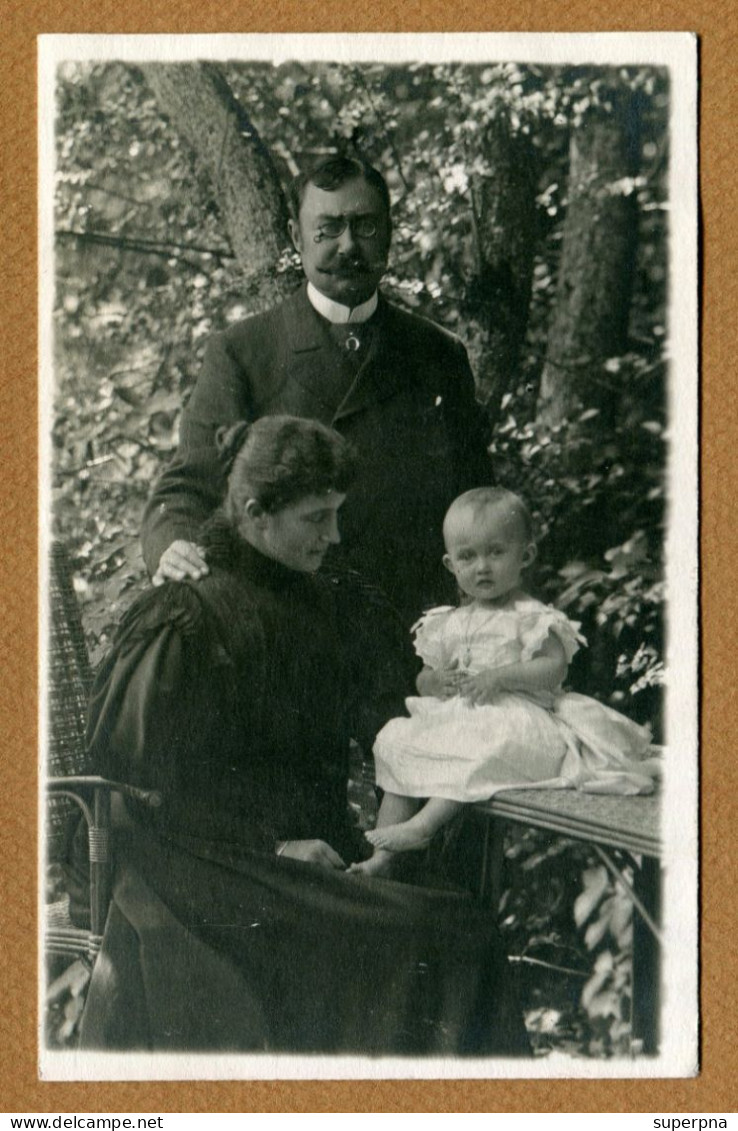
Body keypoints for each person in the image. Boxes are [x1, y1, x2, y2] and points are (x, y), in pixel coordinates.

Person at [72, 418, 529, 1055]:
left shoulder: (326, 603)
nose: (334, 535)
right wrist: (278, 845)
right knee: (444, 936)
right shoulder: (184, 616)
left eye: (337, 515)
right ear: (256, 512)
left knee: (455, 919)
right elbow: (133, 793)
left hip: (310, 849)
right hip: (193, 867)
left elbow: (390, 713)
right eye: (317, 518)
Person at [141, 155, 492, 625]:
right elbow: (188, 486)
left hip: (418, 627)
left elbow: (480, 502)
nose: (348, 246)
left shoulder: (437, 355)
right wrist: (174, 547)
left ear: (389, 233)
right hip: (293, 633)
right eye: (327, 229)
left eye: (365, 227)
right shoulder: (244, 352)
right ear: (295, 237)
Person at [354, 487, 660, 879]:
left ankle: (423, 827)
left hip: (519, 718)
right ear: (451, 564)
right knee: (399, 739)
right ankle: (381, 859)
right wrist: (434, 682)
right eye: (468, 556)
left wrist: (501, 676)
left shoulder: (530, 616)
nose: (482, 567)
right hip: (461, 716)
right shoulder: (448, 621)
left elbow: (553, 669)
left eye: (496, 552)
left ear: (525, 556)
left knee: (482, 744)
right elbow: (423, 676)